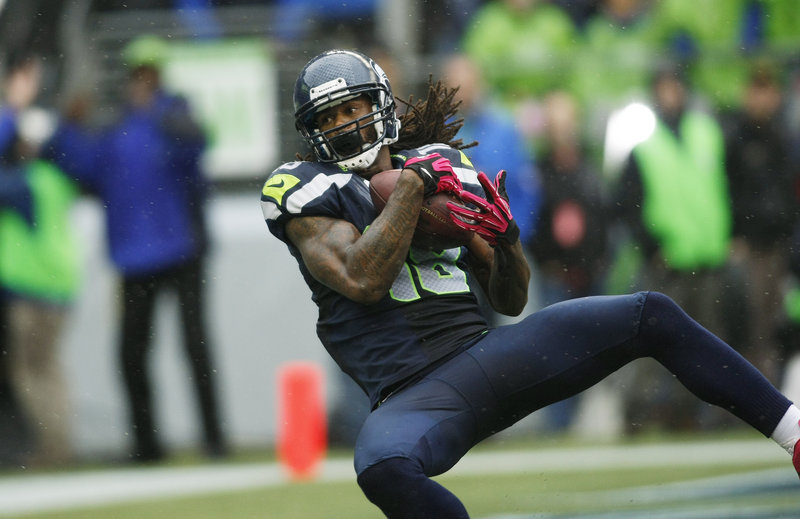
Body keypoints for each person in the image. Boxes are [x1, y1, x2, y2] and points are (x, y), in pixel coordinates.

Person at [260, 49, 800, 519]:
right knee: (382, 469)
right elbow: (363, 279)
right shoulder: (304, 189)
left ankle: (794, 433)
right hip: (412, 396)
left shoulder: (430, 167)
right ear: (310, 131)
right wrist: (411, 189)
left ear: (380, 103)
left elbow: (509, 298)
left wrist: (505, 235)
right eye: (331, 116)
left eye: (354, 107)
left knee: (648, 315)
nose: (347, 124)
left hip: (485, 356)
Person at [43, 35, 227, 463]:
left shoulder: (173, 118)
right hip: (137, 258)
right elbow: (75, 164)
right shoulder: (116, 131)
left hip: (181, 252)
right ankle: (147, 446)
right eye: (137, 75)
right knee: (133, 354)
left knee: (194, 348)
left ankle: (213, 440)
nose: (142, 83)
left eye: (150, 75)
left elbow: (198, 144)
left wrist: (163, 111)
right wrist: (65, 126)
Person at [613, 63, 736, 432]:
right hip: (669, 258)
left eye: (674, 87)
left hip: (709, 254)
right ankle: (635, 412)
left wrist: (729, 235)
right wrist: (651, 246)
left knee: (709, 340)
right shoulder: (645, 146)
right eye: (663, 88)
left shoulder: (707, 132)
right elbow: (626, 203)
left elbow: (727, 185)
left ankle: (693, 413)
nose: (670, 95)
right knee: (655, 341)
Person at [724, 61, 800, 385]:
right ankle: (753, 391)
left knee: (774, 321)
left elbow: (788, 190)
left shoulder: (782, 137)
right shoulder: (737, 138)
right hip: (749, 244)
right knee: (750, 321)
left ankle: (769, 389)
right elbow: (727, 189)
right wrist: (734, 234)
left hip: (779, 242)